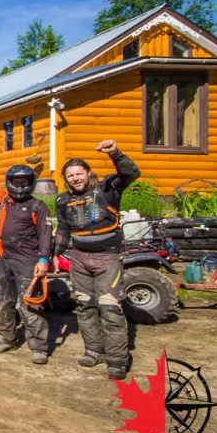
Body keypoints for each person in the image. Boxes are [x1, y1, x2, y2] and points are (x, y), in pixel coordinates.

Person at [53, 139, 140, 380]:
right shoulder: (62, 200)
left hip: (107, 258)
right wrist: (54, 255)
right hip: (79, 258)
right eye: (70, 175)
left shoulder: (107, 189)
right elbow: (62, 229)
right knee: (84, 305)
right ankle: (93, 350)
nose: (75, 178)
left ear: (88, 173)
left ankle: (117, 359)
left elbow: (131, 173)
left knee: (110, 307)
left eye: (79, 173)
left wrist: (115, 153)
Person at [0, 148, 54, 364]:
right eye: (16, 182)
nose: (19, 186)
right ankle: (6, 339)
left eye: (24, 182)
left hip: (27, 260)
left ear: (31, 182)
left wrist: (43, 259)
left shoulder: (37, 206)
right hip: (1, 258)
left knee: (30, 302)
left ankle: (38, 346)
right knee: (1, 300)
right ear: (10, 182)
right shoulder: (3, 199)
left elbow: (46, 235)